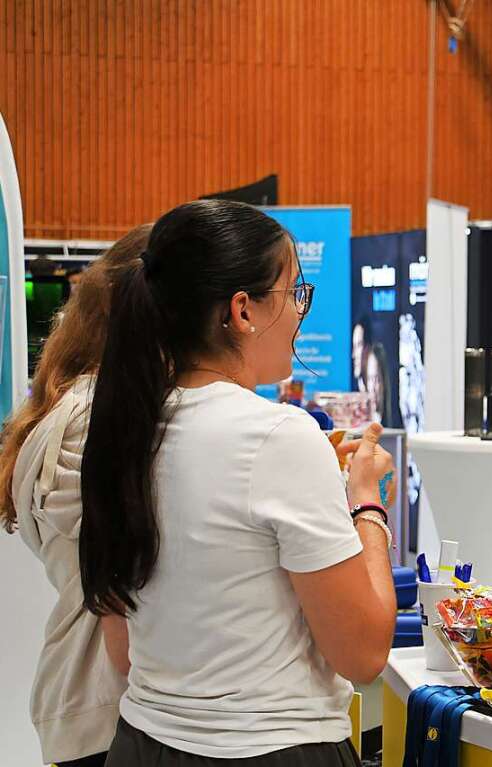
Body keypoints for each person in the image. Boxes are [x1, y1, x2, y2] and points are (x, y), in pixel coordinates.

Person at [77, 199, 398, 766]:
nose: (300, 312)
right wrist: (365, 502)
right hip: (267, 750)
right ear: (242, 311)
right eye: (292, 292)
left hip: (141, 744)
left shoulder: (127, 427)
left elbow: (123, 653)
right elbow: (364, 652)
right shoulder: (276, 435)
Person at [0, 225, 150, 767]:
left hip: (86, 700)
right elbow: (116, 575)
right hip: (108, 706)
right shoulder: (102, 418)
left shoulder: (75, 405)